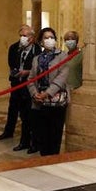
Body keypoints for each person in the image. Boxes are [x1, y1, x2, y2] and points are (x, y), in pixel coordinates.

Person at [28, 26, 71, 156]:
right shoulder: (37, 59)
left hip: (56, 101)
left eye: (51, 37)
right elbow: (31, 79)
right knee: (42, 135)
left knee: (54, 135)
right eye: (46, 38)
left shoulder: (63, 56)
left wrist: (47, 93)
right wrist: (35, 93)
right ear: (41, 42)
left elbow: (61, 78)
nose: (49, 40)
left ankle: (53, 161)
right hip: (40, 102)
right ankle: (44, 159)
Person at [0, 24, 36, 150]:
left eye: (25, 36)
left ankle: (27, 140)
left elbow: (37, 68)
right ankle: (8, 131)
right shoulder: (14, 48)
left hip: (29, 85)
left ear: (31, 37)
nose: (22, 38)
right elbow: (11, 62)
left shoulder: (37, 49)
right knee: (13, 107)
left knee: (27, 113)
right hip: (16, 82)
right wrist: (15, 71)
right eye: (20, 36)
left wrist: (27, 72)